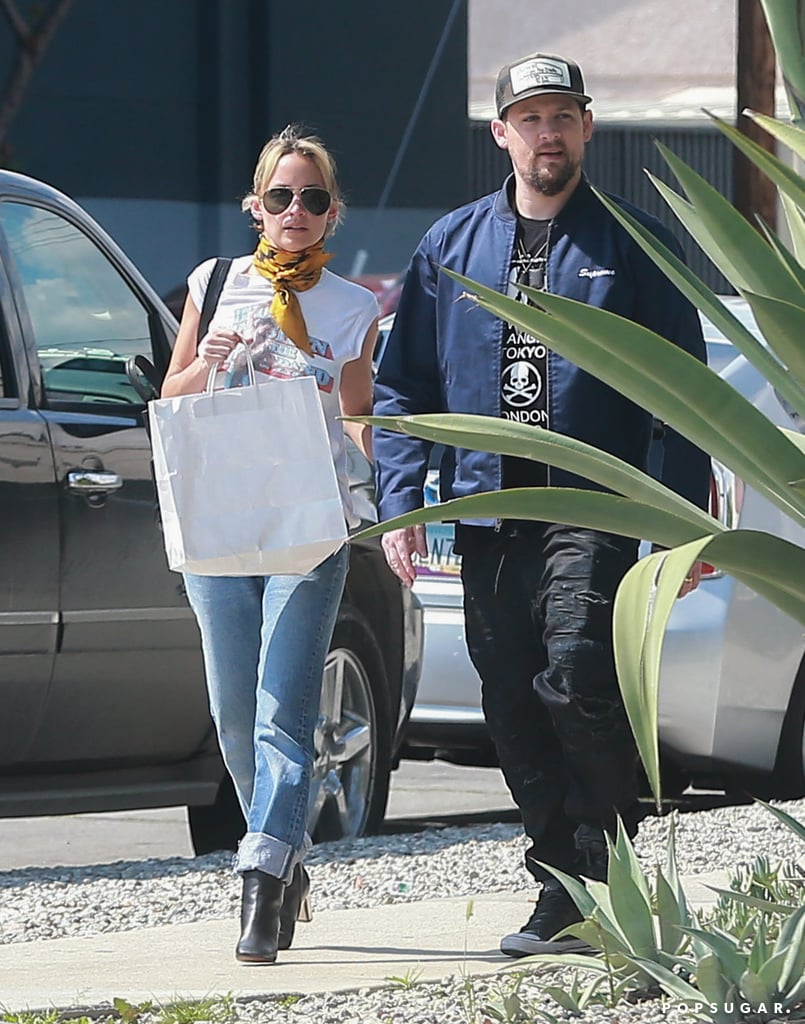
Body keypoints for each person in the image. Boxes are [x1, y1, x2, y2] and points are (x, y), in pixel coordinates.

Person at [372, 52, 710, 957]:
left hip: (595, 507)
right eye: (529, 119)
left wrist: (686, 521)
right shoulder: (451, 244)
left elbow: (684, 389)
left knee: (574, 678)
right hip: (487, 509)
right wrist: (403, 501)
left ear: (587, 127)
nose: (546, 133)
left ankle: (613, 877)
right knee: (512, 705)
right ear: (501, 134)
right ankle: (560, 889)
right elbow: (403, 386)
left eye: (561, 116)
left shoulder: (632, 243)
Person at [161, 125, 378, 964]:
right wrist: (207, 364)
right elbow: (172, 396)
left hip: (308, 524)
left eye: (313, 199)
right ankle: (286, 855)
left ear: (333, 216)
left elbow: (360, 422)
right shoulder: (216, 284)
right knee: (233, 713)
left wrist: (386, 498)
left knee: (286, 713)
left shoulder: (354, 307)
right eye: (281, 196)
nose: (296, 211)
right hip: (223, 516)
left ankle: (260, 876)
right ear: (256, 205)